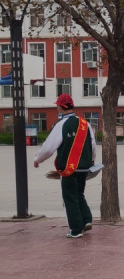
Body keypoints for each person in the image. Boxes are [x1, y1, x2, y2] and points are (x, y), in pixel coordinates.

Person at [33, 94, 97, 238]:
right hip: (85, 167)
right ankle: (86, 219)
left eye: (57, 105)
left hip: (69, 168)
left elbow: (48, 148)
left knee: (70, 197)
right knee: (79, 193)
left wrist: (38, 159)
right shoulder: (84, 123)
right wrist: (92, 161)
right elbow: (93, 145)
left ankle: (76, 230)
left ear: (61, 107)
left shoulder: (61, 125)